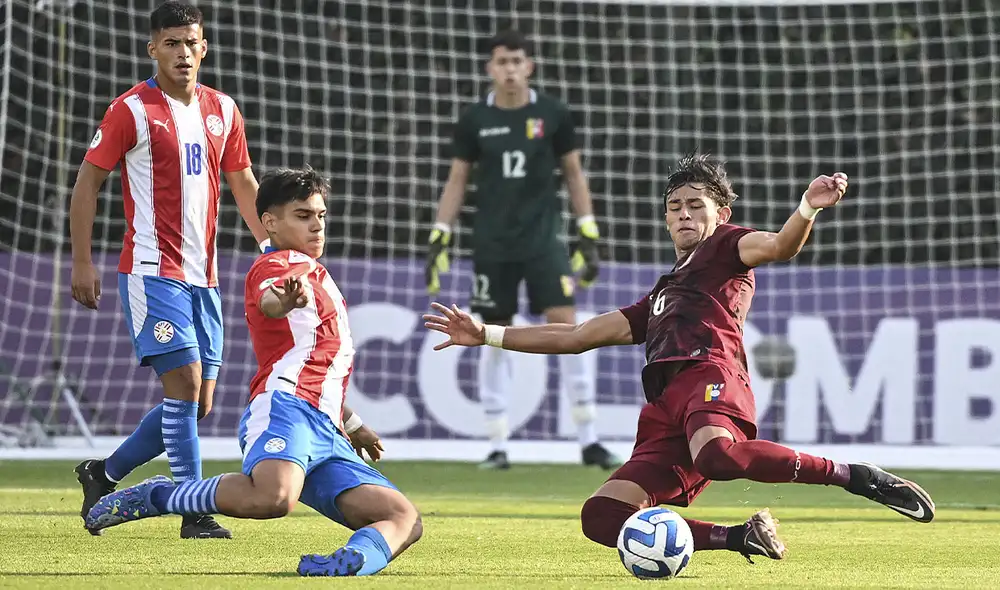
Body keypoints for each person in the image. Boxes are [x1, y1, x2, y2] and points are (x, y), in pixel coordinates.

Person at [424, 153, 935, 563]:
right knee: (601, 515)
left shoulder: (730, 247)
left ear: (721, 215)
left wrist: (808, 208)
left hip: (711, 375)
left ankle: (855, 475)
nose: (684, 214)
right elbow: (577, 335)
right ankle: (740, 538)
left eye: (695, 204)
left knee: (718, 455)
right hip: (666, 409)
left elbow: (780, 246)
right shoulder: (663, 294)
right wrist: (487, 333)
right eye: (674, 206)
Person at [84, 167, 423, 577]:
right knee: (274, 499)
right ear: (270, 223)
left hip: (326, 426)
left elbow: (317, 364)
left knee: (404, 519)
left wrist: (352, 422)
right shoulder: (277, 265)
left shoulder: (315, 273)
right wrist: (285, 301)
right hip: (285, 409)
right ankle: (161, 495)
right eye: (303, 215)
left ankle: (349, 565)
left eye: (320, 214)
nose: (317, 225)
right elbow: (269, 301)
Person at [69, 1, 269, 539]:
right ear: (152, 47)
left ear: (205, 47)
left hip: (205, 275)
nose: (183, 53)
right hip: (151, 270)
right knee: (182, 382)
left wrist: (270, 247)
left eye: (191, 43)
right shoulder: (130, 110)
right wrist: (82, 261)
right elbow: (88, 183)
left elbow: (244, 183)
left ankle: (102, 473)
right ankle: (193, 511)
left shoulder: (223, 110)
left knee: (198, 403)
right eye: (172, 43)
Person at [426, 29, 617, 470]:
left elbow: (573, 173)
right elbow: (457, 179)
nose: (509, 69)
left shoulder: (552, 114)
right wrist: (440, 231)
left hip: (545, 241)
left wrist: (587, 227)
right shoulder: (475, 119)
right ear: (490, 68)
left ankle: (588, 438)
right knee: (491, 333)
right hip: (492, 243)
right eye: (502, 62)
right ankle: (496, 442)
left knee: (569, 327)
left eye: (517, 61)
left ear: (528, 66)